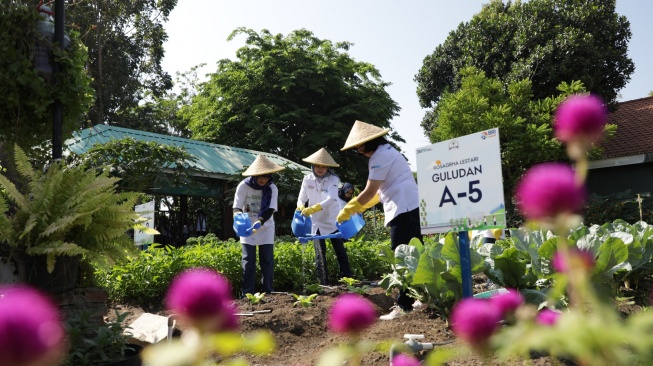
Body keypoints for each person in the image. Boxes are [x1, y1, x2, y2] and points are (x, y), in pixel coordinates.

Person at [337, 120, 422, 320]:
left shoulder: (380, 155)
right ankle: (420, 297)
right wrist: (359, 207)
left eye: (360, 145)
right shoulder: (387, 151)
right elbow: (377, 194)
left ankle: (405, 305)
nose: (358, 149)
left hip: (404, 207)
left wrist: (349, 208)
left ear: (371, 141)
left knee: (401, 256)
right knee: (413, 254)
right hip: (407, 206)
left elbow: (369, 191)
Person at [297, 148, 353, 285]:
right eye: (318, 166)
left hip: (331, 219)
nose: (321, 169)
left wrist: (314, 208)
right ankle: (323, 282)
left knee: (339, 250)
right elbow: (301, 198)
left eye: (323, 166)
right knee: (319, 253)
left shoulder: (333, 179)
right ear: (313, 166)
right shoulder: (307, 179)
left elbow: (331, 198)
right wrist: (301, 207)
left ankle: (347, 279)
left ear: (328, 167)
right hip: (315, 221)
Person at [233, 154, 285, 296]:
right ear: (254, 175)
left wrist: (260, 221)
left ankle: (267, 291)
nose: (263, 180)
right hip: (247, 226)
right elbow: (237, 207)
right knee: (248, 260)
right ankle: (247, 293)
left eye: (266, 176)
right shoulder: (243, 186)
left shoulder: (272, 188)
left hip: (266, 226)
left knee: (267, 259)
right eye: (260, 176)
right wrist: (237, 216)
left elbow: (270, 210)